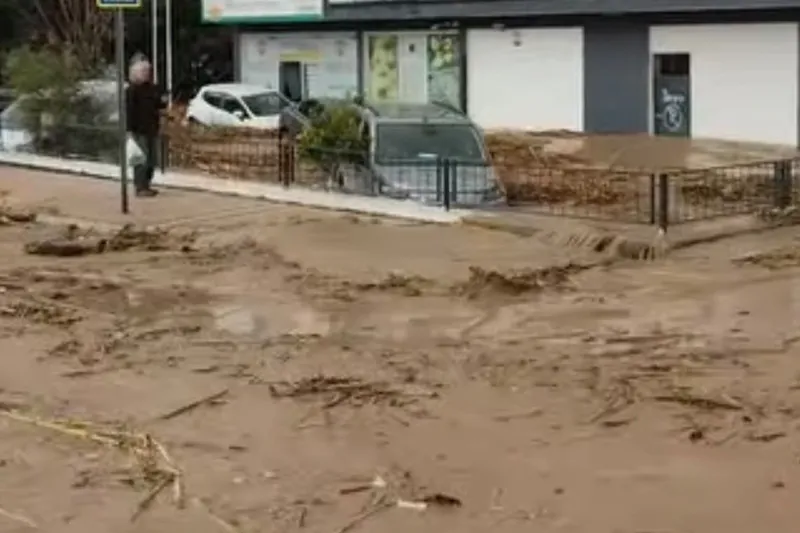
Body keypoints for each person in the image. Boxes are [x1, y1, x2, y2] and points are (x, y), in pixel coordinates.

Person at [125, 56, 164, 197]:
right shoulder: (132, 90)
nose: (147, 73)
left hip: (152, 128)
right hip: (138, 130)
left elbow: (158, 105)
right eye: (144, 71)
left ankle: (147, 184)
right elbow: (129, 111)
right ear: (136, 73)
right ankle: (140, 187)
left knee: (152, 160)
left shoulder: (152, 88)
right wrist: (129, 130)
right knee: (142, 159)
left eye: (148, 71)